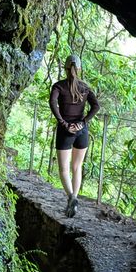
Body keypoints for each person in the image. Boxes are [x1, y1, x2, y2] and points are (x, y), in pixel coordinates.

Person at [49, 54, 100, 217]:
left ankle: (71, 198)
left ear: (65, 68)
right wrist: (83, 123)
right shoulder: (85, 87)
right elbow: (96, 106)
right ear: (79, 69)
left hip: (66, 131)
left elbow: (52, 103)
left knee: (64, 169)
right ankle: (74, 199)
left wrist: (63, 123)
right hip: (81, 130)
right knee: (76, 167)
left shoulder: (58, 86)